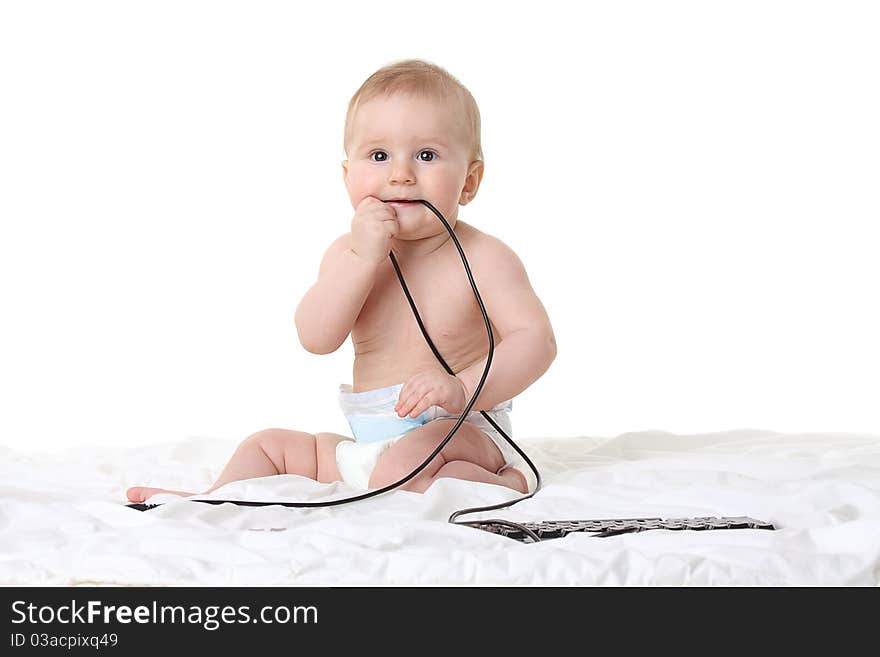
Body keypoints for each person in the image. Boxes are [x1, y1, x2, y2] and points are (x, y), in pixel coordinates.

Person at [126, 58, 556, 504]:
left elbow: (536, 341)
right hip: (370, 442)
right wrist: (361, 258)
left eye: (426, 155)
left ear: (469, 181)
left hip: (461, 432)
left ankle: (507, 481)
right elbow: (316, 337)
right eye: (379, 155)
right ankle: (212, 498)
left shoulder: (485, 257)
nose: (400, 174)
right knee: (267, 445)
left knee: (406, 467)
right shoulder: (347, 254)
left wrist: (461, 388)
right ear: (348, 177)